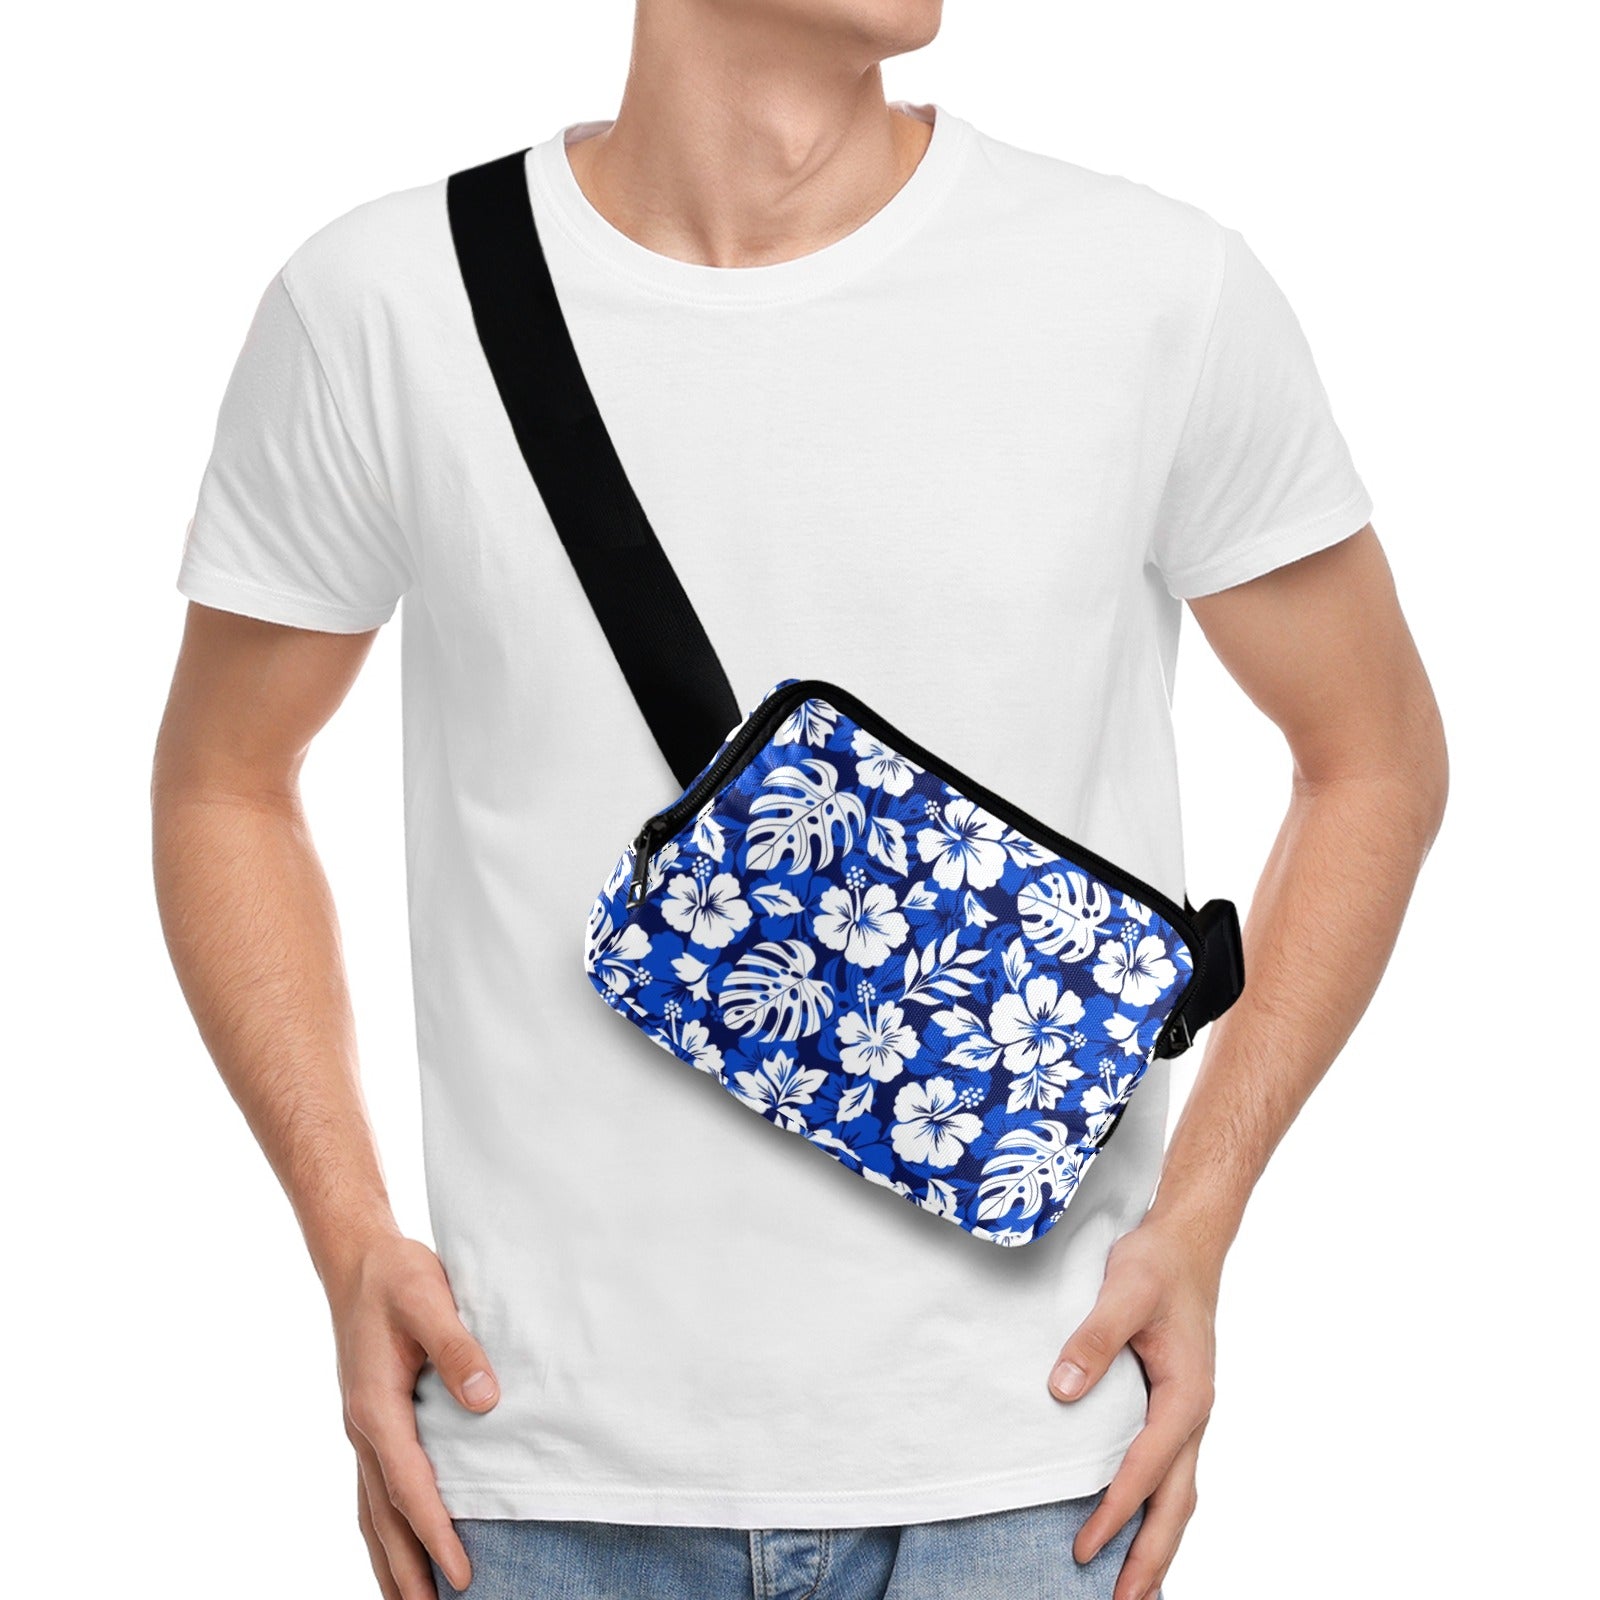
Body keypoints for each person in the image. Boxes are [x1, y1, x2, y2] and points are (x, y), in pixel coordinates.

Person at [152, 2, 1447, 1597]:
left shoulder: (1154, 289)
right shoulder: (382, 303)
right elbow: (223, 783)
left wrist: (1204, 1216)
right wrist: (347, 1234)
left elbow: (1377, 756)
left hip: (1034, 1481)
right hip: (535, 1474)